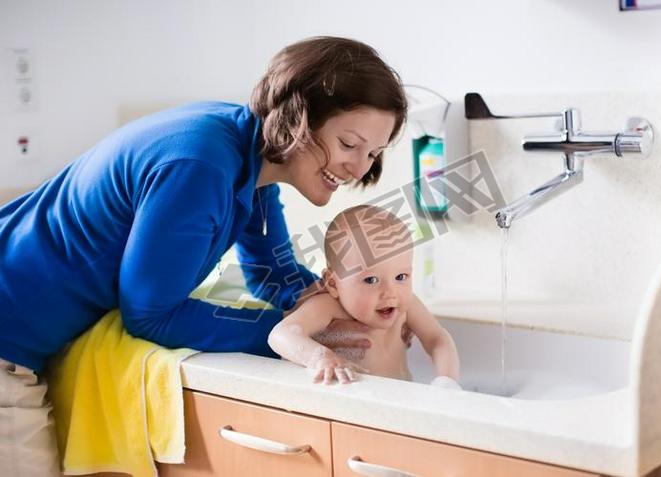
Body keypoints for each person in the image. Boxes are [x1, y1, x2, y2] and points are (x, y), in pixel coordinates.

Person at [0, 36, 408, 476]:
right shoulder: (202, 166)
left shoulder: (250, 156)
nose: (360, 168)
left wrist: (344, 309)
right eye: (349, 144)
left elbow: (272, 273)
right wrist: (297, 340)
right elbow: (151, 315)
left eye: (373, 153)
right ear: (298, 119)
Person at [268, 205, 461, 387]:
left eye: (401, 277)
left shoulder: (407, 304)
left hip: (402, 402)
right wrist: (320, 357)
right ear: (333, 283)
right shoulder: (328, 307)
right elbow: (280, 335)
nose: (390, 292)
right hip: (352, 408)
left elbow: (438, 339)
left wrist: (446, 382)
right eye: (370, 280)